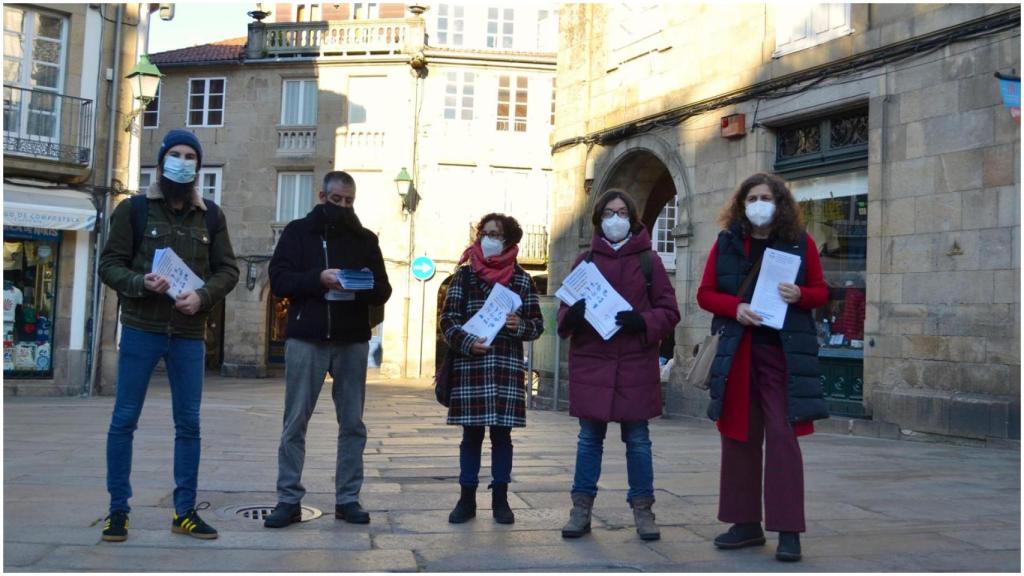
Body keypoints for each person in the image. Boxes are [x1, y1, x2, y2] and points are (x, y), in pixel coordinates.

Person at [98, 129, 240, 542]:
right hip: (142, 329)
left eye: (190, 156)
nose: (183, 161)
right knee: (124, 420)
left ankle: (185, 511)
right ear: (161, 162)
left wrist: (203, 296)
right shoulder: (134, 210)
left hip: (188, 333)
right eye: (175, 154)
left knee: (189, 424)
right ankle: (117, 511)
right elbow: (109, 264)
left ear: (198, 166)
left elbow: (228, 270)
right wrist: (142, 282)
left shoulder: (211, 216)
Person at [695, 172, 829, 562]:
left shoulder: (800, 243)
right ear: (741, 204)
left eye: (765, 197)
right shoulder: (727, 244)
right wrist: (734, 307)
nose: (758, 204)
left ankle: (789, 530)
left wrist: (801, 294)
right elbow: (705, 294)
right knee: (738, 436)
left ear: (780, 202)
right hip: (739, 353)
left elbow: (822, 291)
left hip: (783, 354)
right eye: (751, 198)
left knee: (783, 438)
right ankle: (745, 524)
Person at [263, 171, 392, 528]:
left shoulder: (365, 239)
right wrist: (318, 279)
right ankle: (288, 500)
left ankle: (347, 499)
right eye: (337, 200)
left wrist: (360, 284)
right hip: (307, 337)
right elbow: (280, 279)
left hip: (351, 339)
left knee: (353, 424)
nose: (343, 206)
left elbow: (383, 289)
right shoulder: (297, 232)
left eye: (349, 201)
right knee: (295, 422)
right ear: (322, 196)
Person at [557, 190, 680, 542]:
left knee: (639, 441)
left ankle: (644, 511)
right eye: (609, 212)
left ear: (633, 218)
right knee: (588, 440)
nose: (615, 218)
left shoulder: (649, 262)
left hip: (634, 367)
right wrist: (574, 316)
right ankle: (580, 510)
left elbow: (670, 311)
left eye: (622, 212)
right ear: (599, 219)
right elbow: (564, 315)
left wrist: (643, 322)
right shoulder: (584, 261)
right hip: (593, 365)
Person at [441, 213, 544, 525]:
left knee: (503, 437)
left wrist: (519, 324)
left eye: (496, 234)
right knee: (470, 437)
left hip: (505, 370)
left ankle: (501, 498)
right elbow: (447, 321)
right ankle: (466, 499)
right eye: (484, 233)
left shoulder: (522, 280)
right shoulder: (463, 277)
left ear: (508, 240)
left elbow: (538, 325)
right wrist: (466, 342)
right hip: (471, 368)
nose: (488, 239)